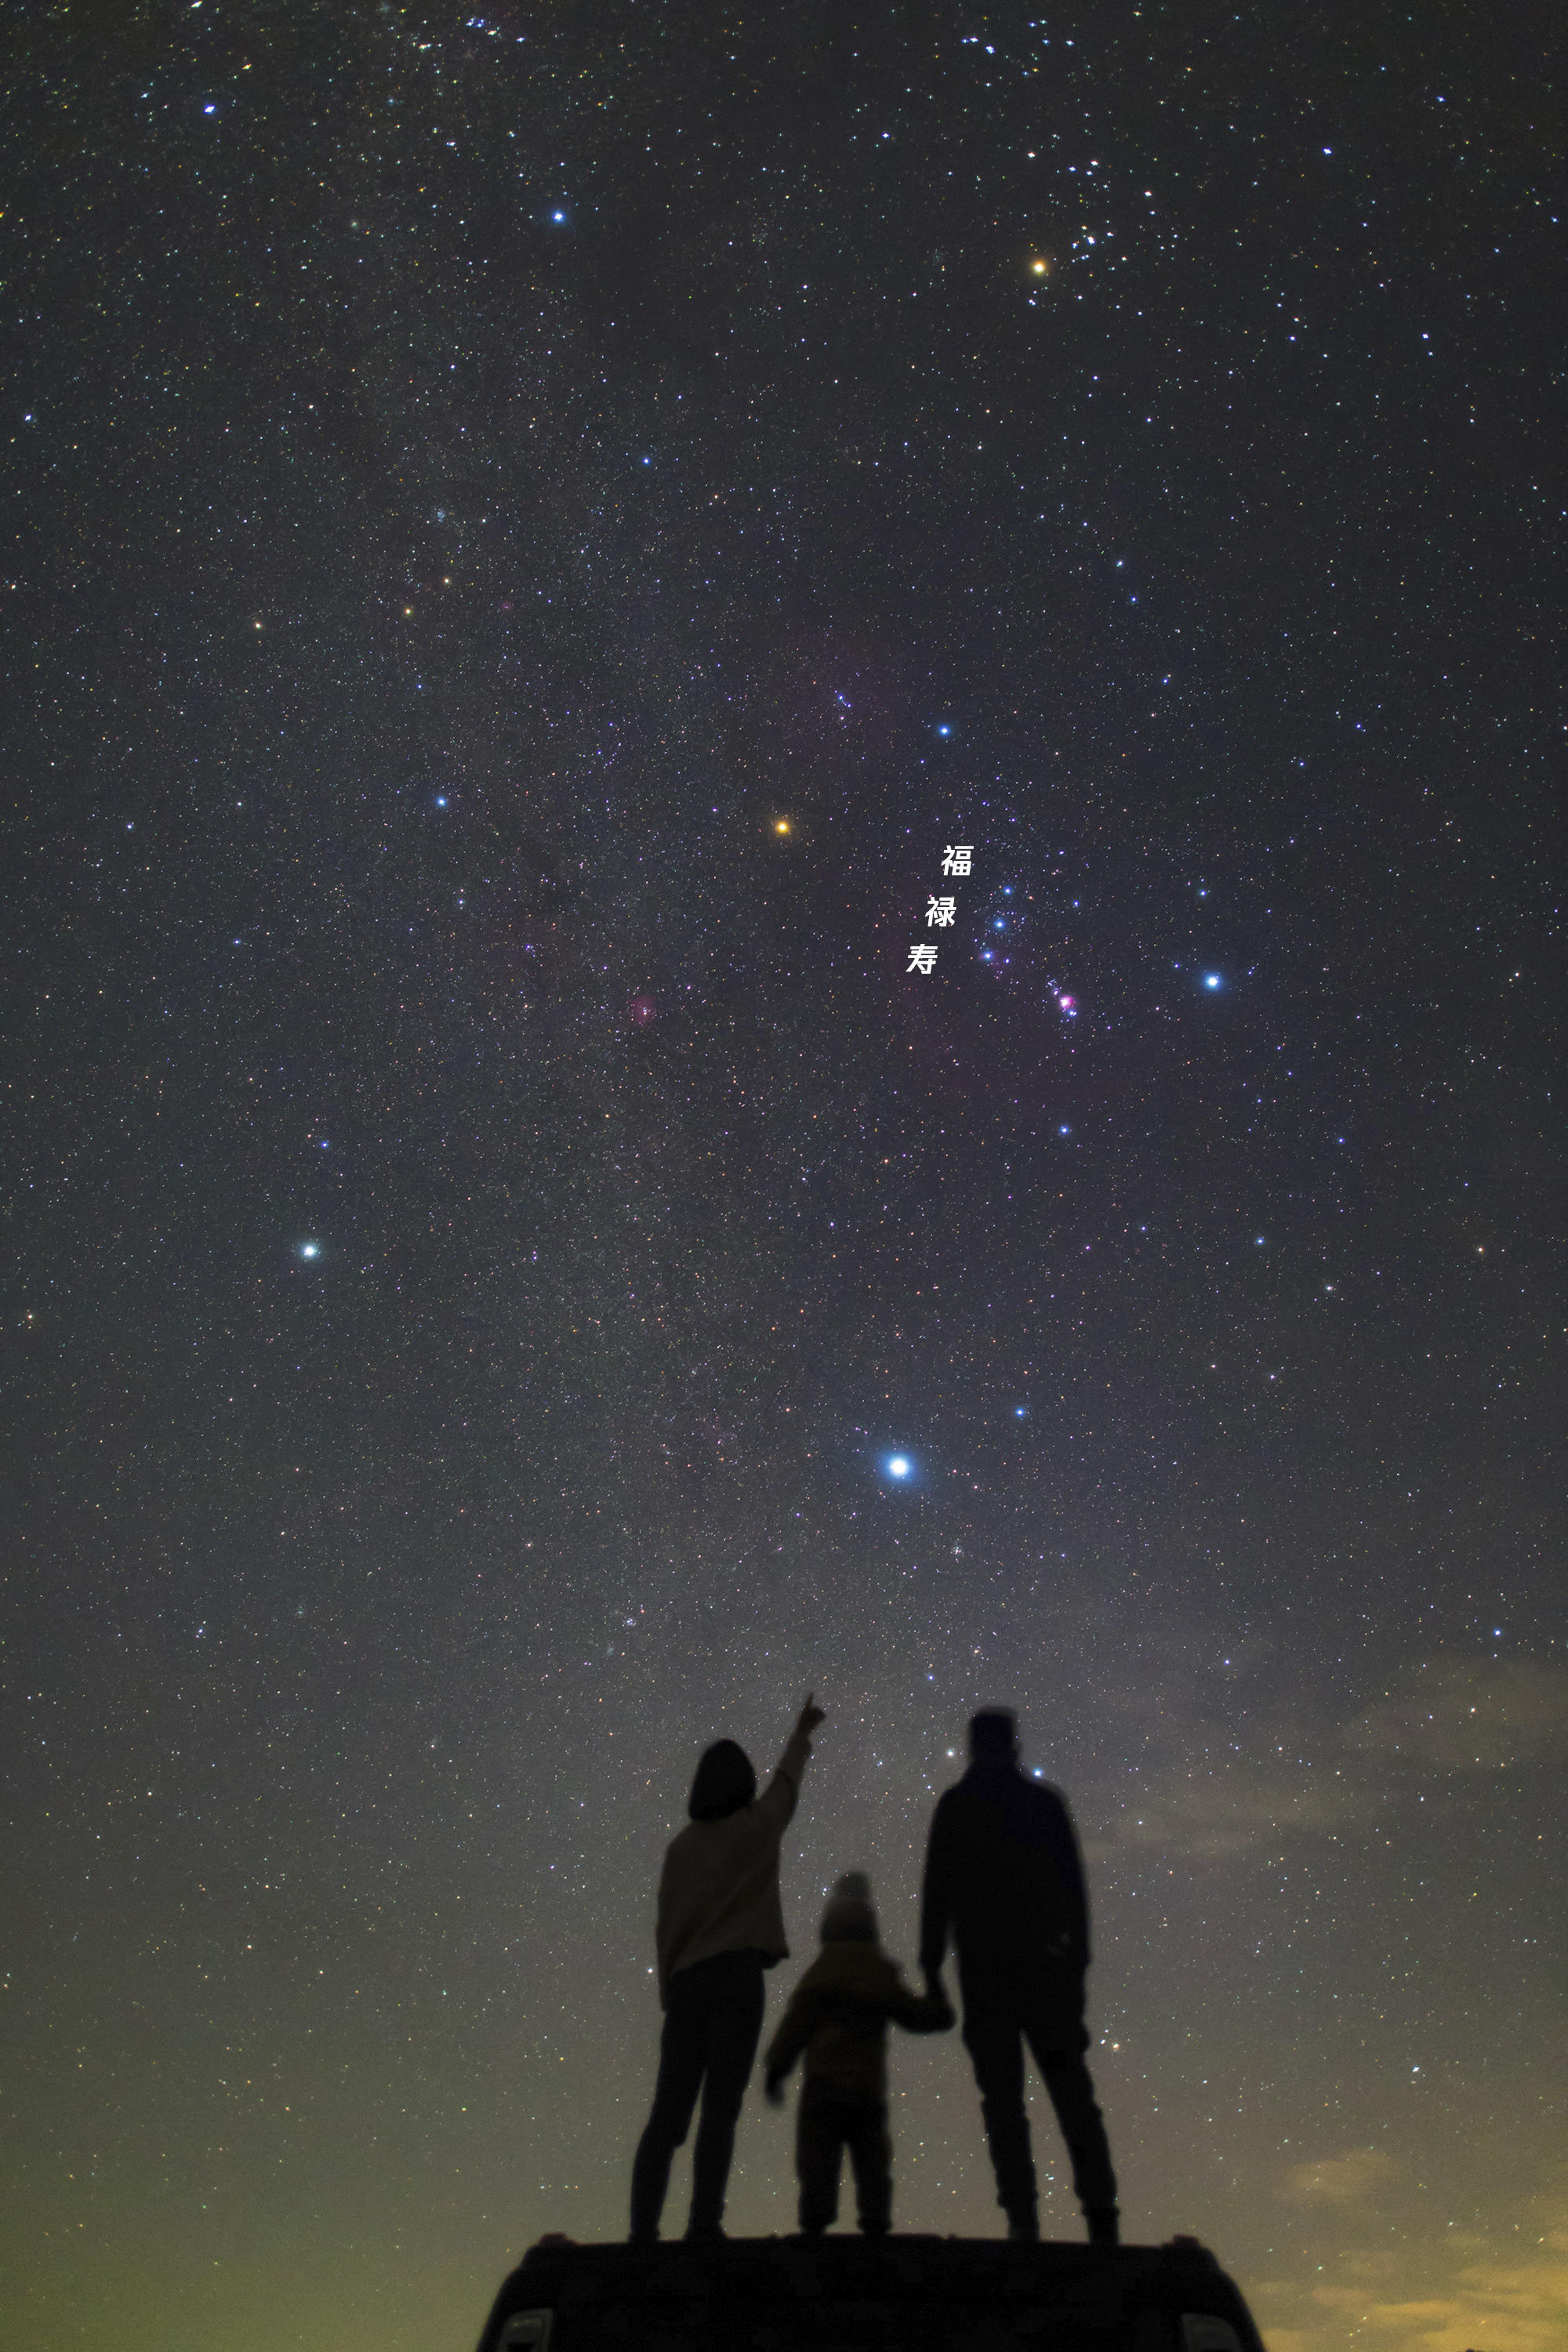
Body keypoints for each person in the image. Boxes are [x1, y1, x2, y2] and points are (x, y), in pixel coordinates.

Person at [629, 1693, 826, 2242]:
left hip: (689, 1982)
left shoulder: (680, 1849)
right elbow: (786, 1785)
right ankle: (703, 2224)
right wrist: (803, 1731)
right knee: (720, 2109)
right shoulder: (757, 1828)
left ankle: (643, 2229)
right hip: (738, 1980)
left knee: (668, 2115)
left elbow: (665, 1925)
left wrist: (671, 1989)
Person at [920, 1708, 1119, 2245]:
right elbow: (1075, 1894)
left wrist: (932, 1969)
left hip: (985, 1979)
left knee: (1004, 2104)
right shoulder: (1042, 1804)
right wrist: (1076, 1968)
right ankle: (1101, 2217)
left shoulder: (956, 1808)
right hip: (1045, 1971)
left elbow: (936, 1894)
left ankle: (1022, 2220)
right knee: (1072, 2094)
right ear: (1013, 1745)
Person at [763, 1871, 952, 2238]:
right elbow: (913, 2015)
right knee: (872, 2163)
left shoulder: (819, 1974)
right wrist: (939, 2012)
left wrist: (776, 2069)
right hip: (866, 2088)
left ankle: (814, 2229)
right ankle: (875, 2226)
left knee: (817, 2163)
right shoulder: (879, 1972)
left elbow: (795, 2027)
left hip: (823, 2087)